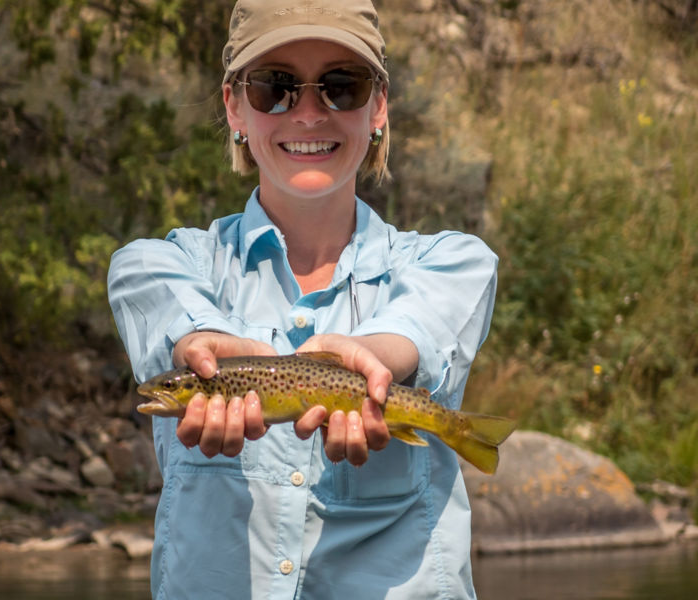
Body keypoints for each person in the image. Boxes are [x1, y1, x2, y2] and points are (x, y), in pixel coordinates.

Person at [108, 1, 498, 598]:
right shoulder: (166, 264)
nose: (310, 113)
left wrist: (370, 358)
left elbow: (418, 323)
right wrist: (197, 342)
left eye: (342, 86)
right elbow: (159, 296)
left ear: (379, 106)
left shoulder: (450, 263)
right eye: (274, 87)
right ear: (234, 105)